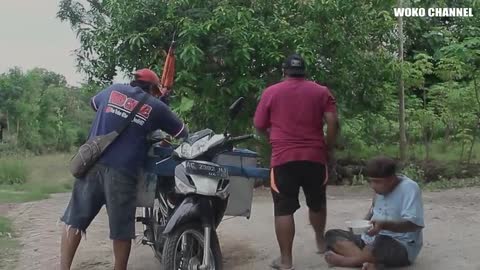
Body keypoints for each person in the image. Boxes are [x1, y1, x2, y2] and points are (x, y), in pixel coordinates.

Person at [59, 68, 188, 270]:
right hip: (122, 172)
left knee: (75, 219)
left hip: (92, 163)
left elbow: (94, 104)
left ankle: (63, 267)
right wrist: (162, 102)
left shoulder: (113, 90)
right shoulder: (156, 106)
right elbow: (182, 132)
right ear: (154, 89)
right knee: (121, 230)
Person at [254, 53, 338, 270]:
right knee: (317, 201)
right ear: (305, 72)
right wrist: (327, 146)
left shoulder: (271, 92)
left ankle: (286, 261)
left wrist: (275, 138)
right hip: (314, 157)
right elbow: (332, 121)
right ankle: (320, 242)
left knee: (283, 208)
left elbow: (260, 124)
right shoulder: (321, 91)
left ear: (284, 72)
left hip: (283, 159)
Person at [324, 156, 425, 270]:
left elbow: (415, 224)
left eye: (377, 182)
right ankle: (367, 261)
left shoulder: (409, 188)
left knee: (379, 243)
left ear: (391, 179)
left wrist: (384, 225)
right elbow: (373, 211)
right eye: (370, 181)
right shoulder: (379, 190)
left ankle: (349, 261)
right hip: (371, 239)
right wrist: (361, 225)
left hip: (399, 244)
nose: (372, 185)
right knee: (332, 235)